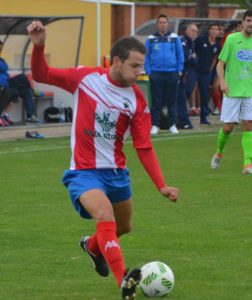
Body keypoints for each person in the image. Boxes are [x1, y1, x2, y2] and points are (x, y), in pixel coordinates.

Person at [27, 20, 179, 300]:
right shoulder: (85, 78)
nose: (139, 72)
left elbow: (143, 147)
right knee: (104, 215)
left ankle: (93, 247)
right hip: (84, 172)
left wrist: (161, 185)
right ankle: (125, 283)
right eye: (134, 66)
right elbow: (41, 73)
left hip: (116, 173)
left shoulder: (136, 101)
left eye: (141, 66)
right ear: (117, 61)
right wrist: (39, 46)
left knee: (124, 227)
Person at [211, 9, 252, 174]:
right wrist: (222, 82)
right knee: (228, 127)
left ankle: (247, 164)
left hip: (251, 90)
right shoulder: (232, 39)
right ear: (243, 22)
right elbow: (220, 64)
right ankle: (218, 153)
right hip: (232, 90)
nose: (251, 24)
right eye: (248, 20)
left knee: (248, 125)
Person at [144, 14, 184, 135]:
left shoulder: (174, 37)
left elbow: (180, 55)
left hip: (172, 73)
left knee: (172, 100)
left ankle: (172, 125)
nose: (162, 24)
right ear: (157, 24)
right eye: (160, 22)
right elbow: (146, 57)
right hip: (156, 74)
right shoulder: (150, 38)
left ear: (167, 24)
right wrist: (149, 72)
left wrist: (179, 71)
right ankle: (155, 125)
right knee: (156, 101)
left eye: (164, 22)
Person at [185, 24, 221, 125]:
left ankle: (204, 117)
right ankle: (182, 113)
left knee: (205, 95)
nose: (214, 31)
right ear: (209, 31)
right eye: (212, 29)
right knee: (188, 89)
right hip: (194, 70)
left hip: (205, 72)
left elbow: (215, 58)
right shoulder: (201, 39)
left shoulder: (217, 45)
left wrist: (210, 69)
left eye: (216, 29)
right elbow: (191, 46)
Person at [0, 40, 40, 123]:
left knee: (26, 91)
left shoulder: (1, 59)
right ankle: (33, 91)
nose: (1, 50)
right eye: (0, 48)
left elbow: (5, 68)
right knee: (22, 77)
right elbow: (5, 68)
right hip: (3, 84)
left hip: (8, 83)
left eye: (1, 48)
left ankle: (30, 116)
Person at [177, 23, 198, 129]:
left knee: (184, 95)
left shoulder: (191, 43)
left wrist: (192, 58)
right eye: (192, 30)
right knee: (181, 97)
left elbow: (195, 59)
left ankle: (182, 120)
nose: (193, 33)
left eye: (195, 31)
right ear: (186, 30)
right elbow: (185, 58)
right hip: (182, 73)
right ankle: (183, 121)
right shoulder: (182, 41)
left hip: (189, 72)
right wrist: (191, 58)